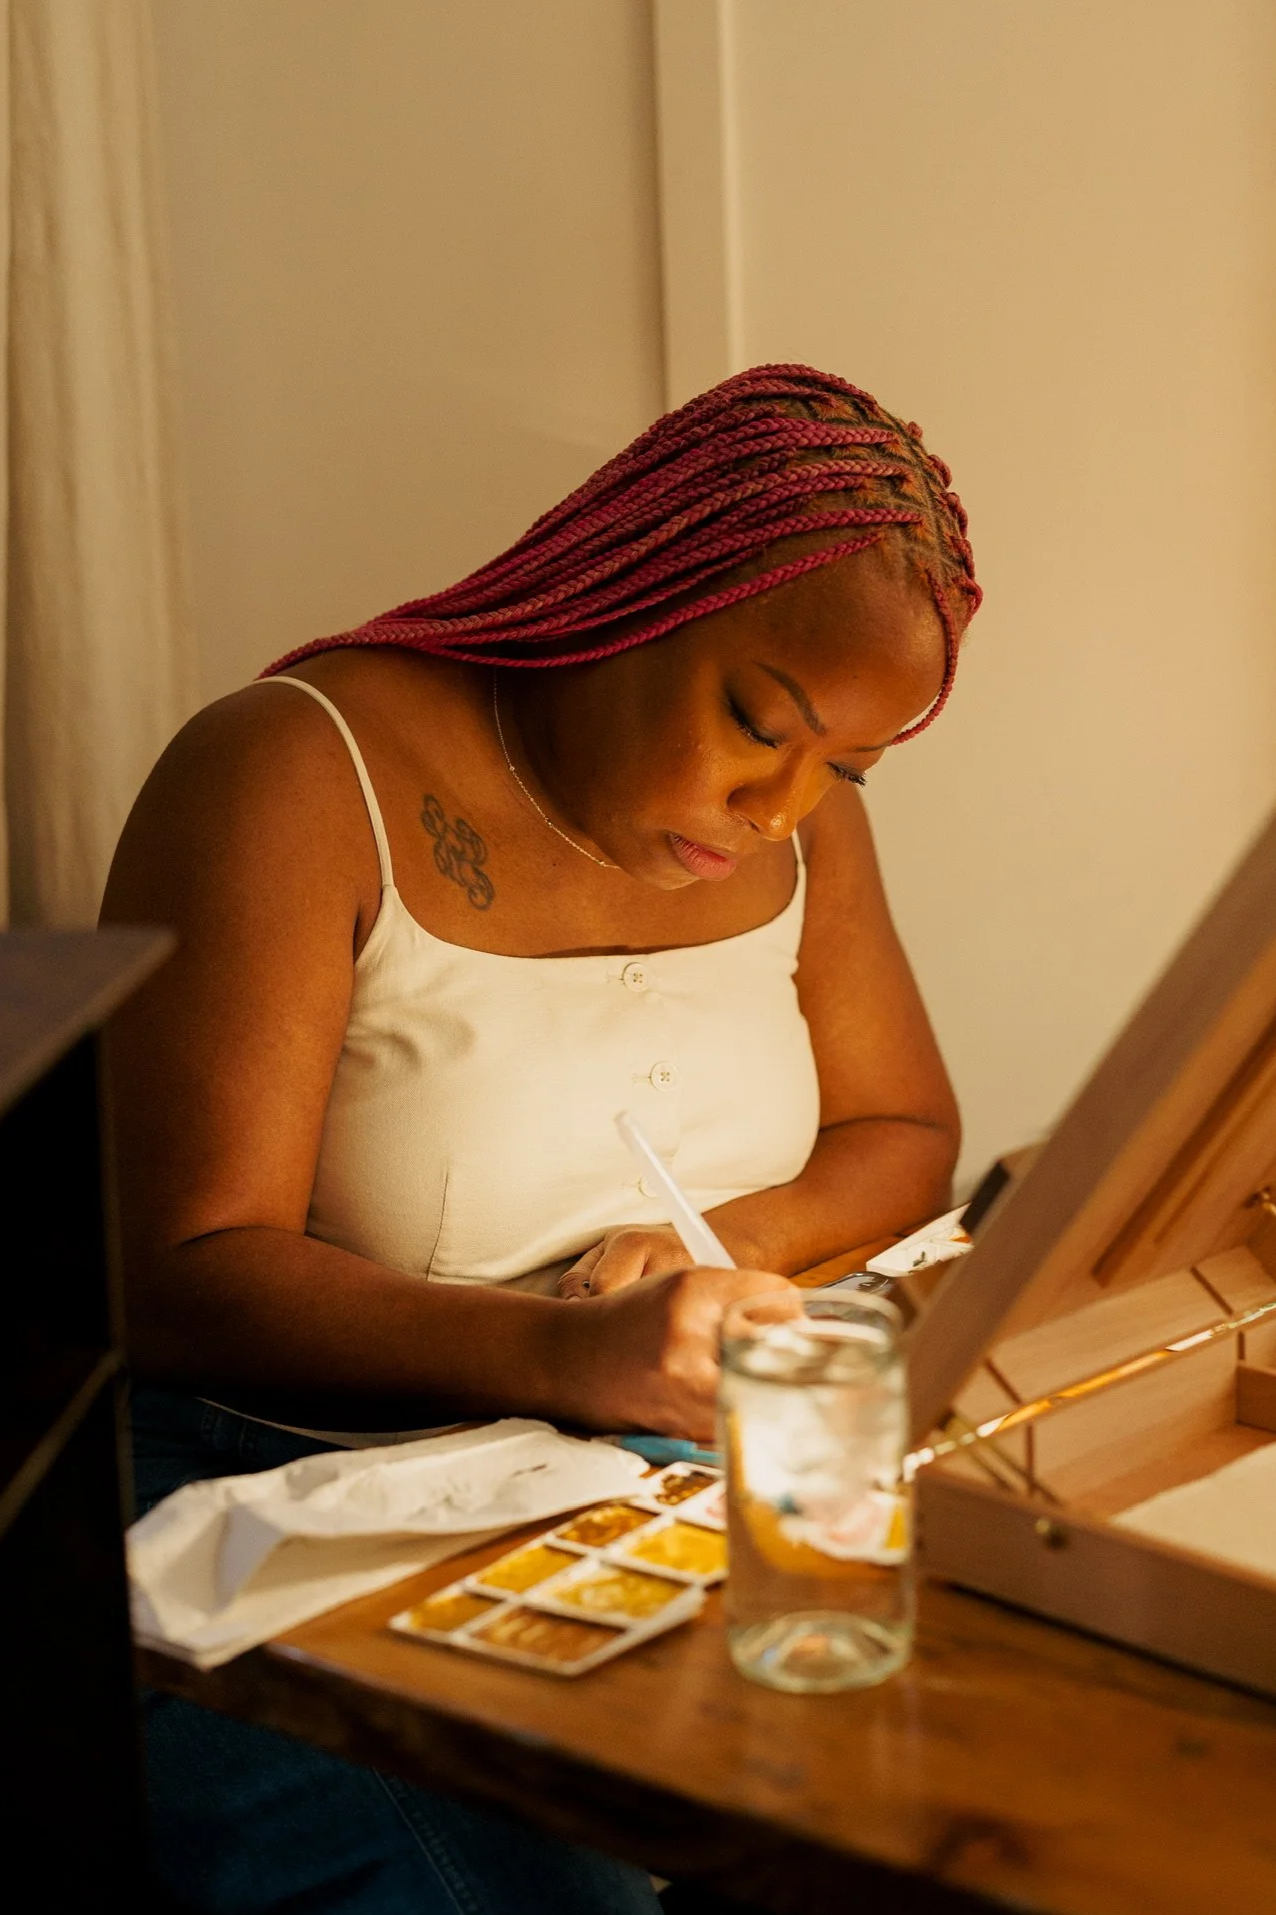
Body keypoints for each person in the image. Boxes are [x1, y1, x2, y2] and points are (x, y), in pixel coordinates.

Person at [103, 364, 979, 1914]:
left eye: (843, 768)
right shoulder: (292, 775)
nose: (781, 803)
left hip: (631, 1472)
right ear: (643, 584)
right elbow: (180, 1279)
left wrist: (714, 1257)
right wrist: (563, 1351)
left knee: (955, 1794)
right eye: (755, 722)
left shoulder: (798, 824)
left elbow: (904, 1128)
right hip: (307, 1510)